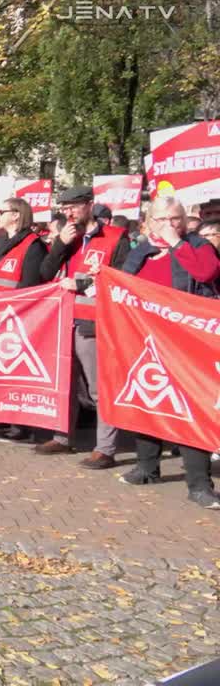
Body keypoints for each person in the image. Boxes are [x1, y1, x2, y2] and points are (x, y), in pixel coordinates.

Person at [113, 197, 219, 509]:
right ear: (147, 223)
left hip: (185, 344)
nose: (168, 225)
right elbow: (123, 288)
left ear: (184, 221)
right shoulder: (140, 252)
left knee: (189, 411)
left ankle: (199, 484)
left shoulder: (198, 246)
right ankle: (147, 467)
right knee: (148, 403)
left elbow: (206, 274)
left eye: (174, 219)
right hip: (145, 340)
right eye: (160, 220)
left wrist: (176, 243)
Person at [34, 186, 131, 469]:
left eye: (73, 207)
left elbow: (122, 280)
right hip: (64, 320)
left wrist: (84, 285)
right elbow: (44, 272)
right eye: (64, 209)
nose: (68, 213)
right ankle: (62, 437)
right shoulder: (69, 237)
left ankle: (105, 448)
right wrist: (60, 244)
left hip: (95, 323)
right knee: (65, 383)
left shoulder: (116, 238)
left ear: (89, 205)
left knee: (99, 389)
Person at [0, 197, 48, 443]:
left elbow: (30, 285)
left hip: (18, 318)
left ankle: (21, 425)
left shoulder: (32, 245)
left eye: (2, 211)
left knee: (17, 371)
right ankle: (3, 414)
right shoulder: (1, 243)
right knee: (0, 370)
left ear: (16, 215)